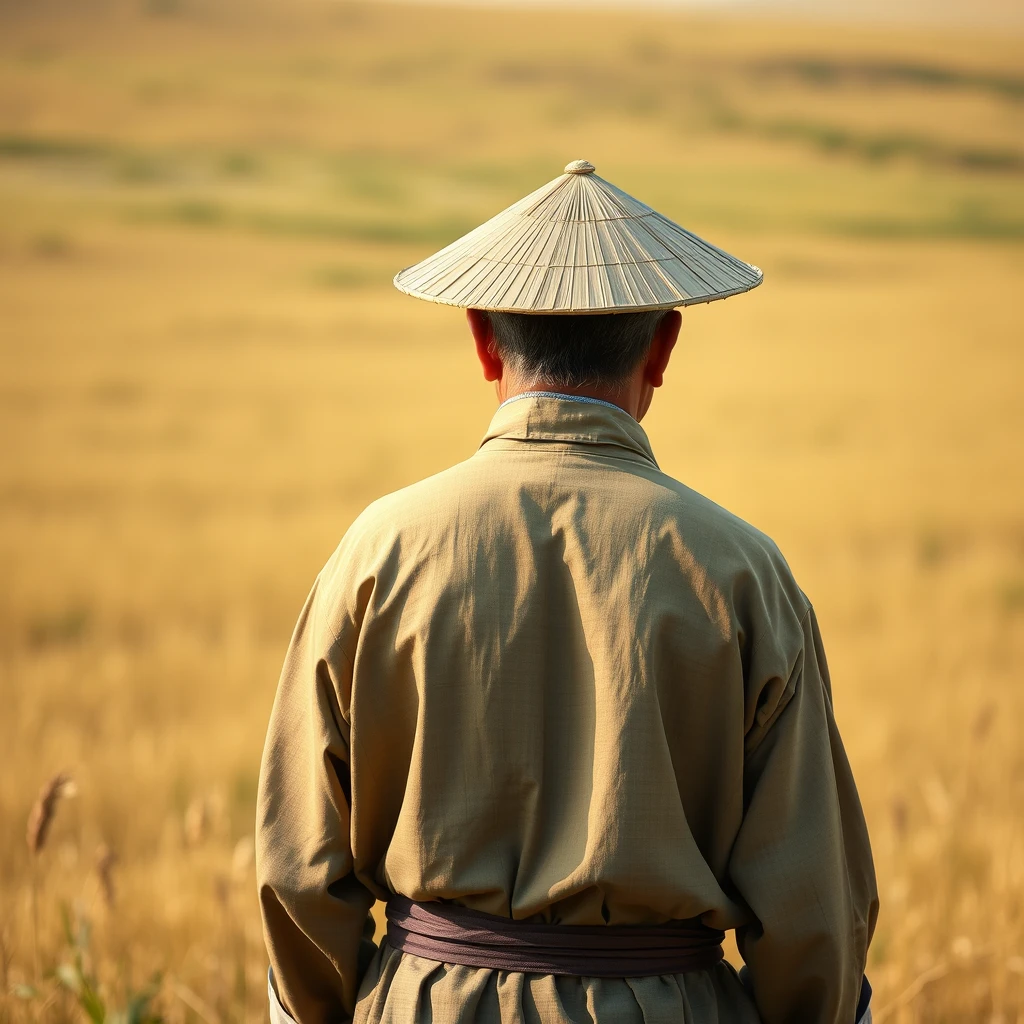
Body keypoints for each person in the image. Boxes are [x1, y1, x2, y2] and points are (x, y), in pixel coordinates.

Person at [256, 160, 879, 1024]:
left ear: (480, 340)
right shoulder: (743, 571)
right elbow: (813, 915)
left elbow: (298, 872)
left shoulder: (377, 552)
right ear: (663, 347)